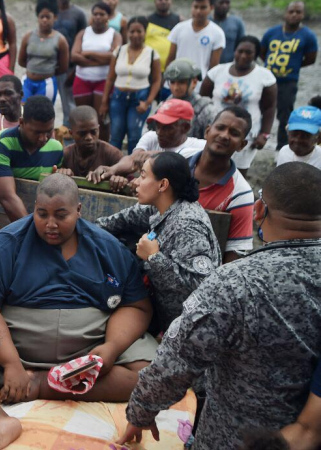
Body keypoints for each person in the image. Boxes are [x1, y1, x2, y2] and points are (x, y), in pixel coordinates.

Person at [0, 174, 159, 450]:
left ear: (79, 211)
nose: (50, 224)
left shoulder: (108, 247)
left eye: (61, 215)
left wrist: (112, 347)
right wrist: (10, 363)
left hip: (88, 349)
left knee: (152, 372)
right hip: (9, 336)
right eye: (42, 214)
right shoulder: (7, 242)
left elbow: (136, 305)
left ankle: (43, 384)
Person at [117, 162, 321, 449]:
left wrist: (140, 411)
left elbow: (178, 356)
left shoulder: (236, 282)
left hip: (231, 439)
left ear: (259, 210)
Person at [99, 106, 255, 263]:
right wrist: (113, 169)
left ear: (242, 144)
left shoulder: (240, 194)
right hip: (152, 250)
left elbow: (234, 256)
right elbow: (138, 159)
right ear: (207, 131)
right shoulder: (181, 158)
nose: (224, 135)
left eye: (234, 133)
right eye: (220, 128)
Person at [96, 152, 221, 333]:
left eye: (143, 176)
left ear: (163, 184)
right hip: (163, 315)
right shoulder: (157, 206)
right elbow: (117, 221)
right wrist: (83, 231)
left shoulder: (187, 224)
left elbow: (201, 288)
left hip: (188, 329)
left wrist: (154, 258)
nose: (136, 182)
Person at [201, 35, 277, 174]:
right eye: (240, 51)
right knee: (209, 168)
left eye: (248, 53)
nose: (243, 56)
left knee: (237, 174)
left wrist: (264, 134)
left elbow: (269, 108)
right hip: (217, 131)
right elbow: (203, 100)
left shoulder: (265, 77)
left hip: (245, 135)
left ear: (256, 55)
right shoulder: (217, 72)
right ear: (234, 51)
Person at [0, 95, 64, 222]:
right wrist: (34, 231)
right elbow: (7, 197)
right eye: (37, 132)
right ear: (21, 122)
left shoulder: (56, 149)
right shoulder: (0, 144)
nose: (43, 138)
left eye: (48, 131)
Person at [261, 1, 318, 151]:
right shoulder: (271, 32)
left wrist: (292, 67)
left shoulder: (308, 36)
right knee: (258, 110)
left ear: (303, 14)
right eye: (291, 11)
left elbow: (311, 59)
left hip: (288, 82)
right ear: (285, 13)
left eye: (298, 12)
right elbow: (262, 52)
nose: (294, 14)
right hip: (266, 81)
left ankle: (281, 148)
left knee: (285, 116)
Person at [100, 16, 162, 152]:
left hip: (139, 98)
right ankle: (113, 166)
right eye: (132, 31)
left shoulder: (152, 54)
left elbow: (157, 80)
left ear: (145, 32)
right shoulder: (119, 51)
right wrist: (104, 102)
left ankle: (133, 168)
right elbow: (110, 78)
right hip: (118, 97)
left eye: (139, 31)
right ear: (127, 32)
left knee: (134, 135)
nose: (135, 35)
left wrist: (148, 102)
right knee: (115, 134)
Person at [71, 2, 121, 119]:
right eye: (95, 14)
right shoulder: (83, 33)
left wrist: (89, 53)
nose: (98, 17)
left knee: (101, 118)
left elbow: (115, 57)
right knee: (83, 117)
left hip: (103, 81)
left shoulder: (114, 35)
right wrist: (103, 60)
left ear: (108, 17)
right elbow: (74, 56)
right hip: (82, 79)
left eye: (102, 14)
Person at [165, 0, 225, 92]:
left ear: (211, 8)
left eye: (203, 7)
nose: (198, 11)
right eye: (195, 7)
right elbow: (170, 58)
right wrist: (165, 79)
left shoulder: (217, 33)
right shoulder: (179, 28)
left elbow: (213, 67)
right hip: (174, 83)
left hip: (198, 87)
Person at [17, 0, 69, 104]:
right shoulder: (28, 36)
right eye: (42, 17)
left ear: (55, 17)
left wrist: (46, 71)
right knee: (23, 111)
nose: (44, 20)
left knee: (41, 114)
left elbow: (63, 67)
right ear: (38, 18)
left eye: (48, 17)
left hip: (47, 83)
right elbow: (21, 61)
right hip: (28, 81)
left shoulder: (60, 40)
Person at [160, 58, 218, 140]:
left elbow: (213, 140)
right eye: (172, 82)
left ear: (194, 82)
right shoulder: (164, 106)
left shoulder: (206, 110)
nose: (175, 87)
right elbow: (150, 133)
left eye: (181, 82)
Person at [58, 105, 123, 178]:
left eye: (93, 132)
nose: (89, 137)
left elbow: (131, 181)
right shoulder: (65, 155)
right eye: (82, 133)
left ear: (98, 129)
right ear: (71, 133)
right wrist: (60, 173)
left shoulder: (112, 154)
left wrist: (119, 180)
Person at [53, 0, 87, 127]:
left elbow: (84, 40)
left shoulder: (78, 14)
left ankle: (70, 134)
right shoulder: (50, 9)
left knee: (69, 104)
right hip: (49, 66)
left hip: (69, 66)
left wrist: (76, 67)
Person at [145, 0, 182, 99]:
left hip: (172, 70)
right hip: (149, 70)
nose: (163, 2)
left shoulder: (179, 21)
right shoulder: (147, 20)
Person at [276, 105, 321, 170]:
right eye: (294, 134)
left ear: (318, 138)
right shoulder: (284, 153)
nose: (297, 140)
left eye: (305, 136)